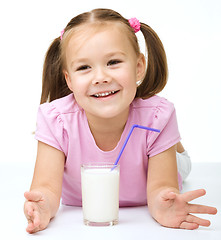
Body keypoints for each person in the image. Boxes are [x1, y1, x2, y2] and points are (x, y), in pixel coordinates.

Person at [24, 8, 217, 234]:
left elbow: (161, 188)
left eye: (113, 62)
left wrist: (163, 206)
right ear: (69, 80)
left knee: (180, 162)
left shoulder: (158, 116)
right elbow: (46, 187)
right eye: (84, 67)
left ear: (138, 68)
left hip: (165, 160)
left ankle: (175, 146)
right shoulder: (55, 119)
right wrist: (42, 206)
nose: (101, 77)